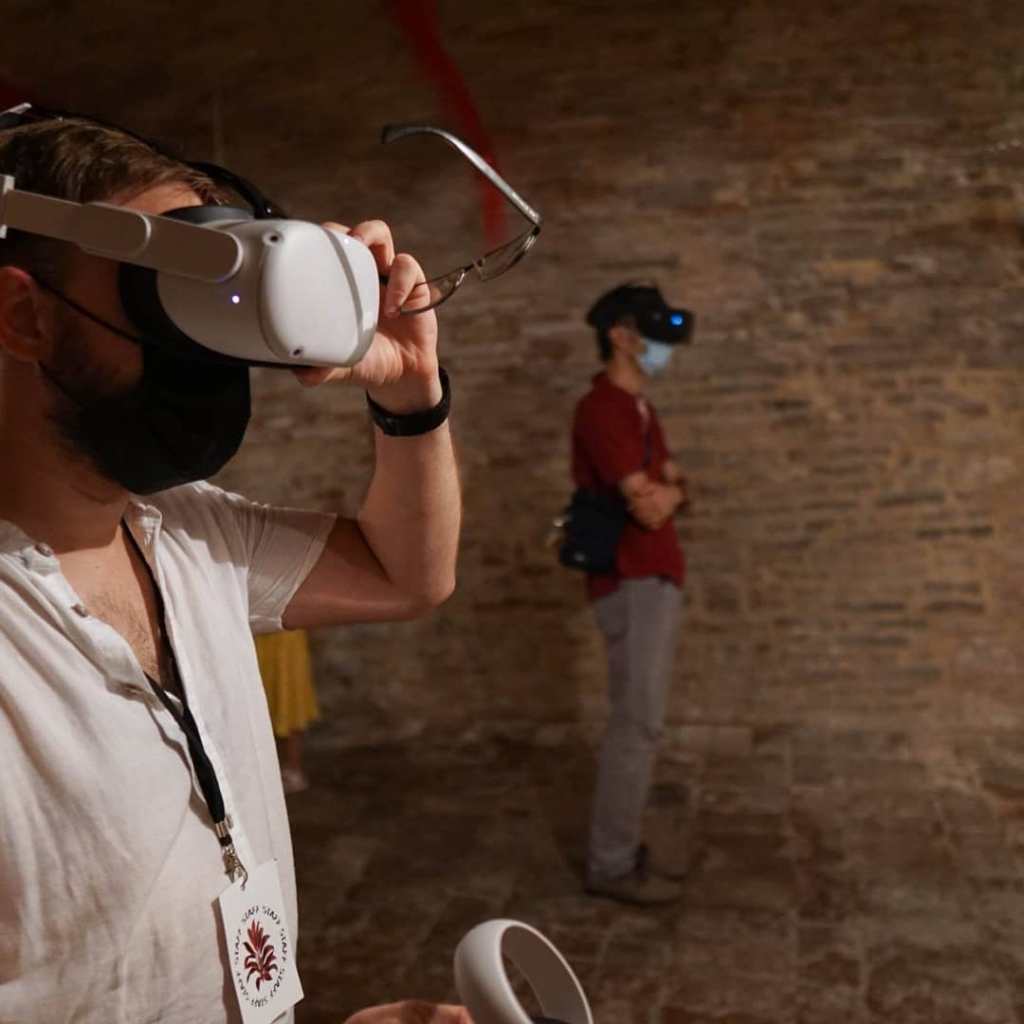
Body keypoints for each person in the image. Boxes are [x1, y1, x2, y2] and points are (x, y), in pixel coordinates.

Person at [0, 113, 465, 1023]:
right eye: (165, 290)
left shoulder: (184, 531)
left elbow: (406, 575)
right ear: (23, 316)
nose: (206, 347)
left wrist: (411, 392)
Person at [571, 284, 690, 906]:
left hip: (653, 576)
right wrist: (668, 493)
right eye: (652, 331)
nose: (665, 346)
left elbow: (676, 486)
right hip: (631, 576)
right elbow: (648, 506)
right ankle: (611, 863)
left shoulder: (641, 409)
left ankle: (618, 852)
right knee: (636, 723)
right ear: (621, 336)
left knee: (642, 721)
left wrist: (672, 491)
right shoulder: (604, 408)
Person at [254, 627, 319, 793]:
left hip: (288, 639)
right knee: (262, 699)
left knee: (291, 700)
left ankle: (293, 768)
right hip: (258, 638)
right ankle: (269, 769)